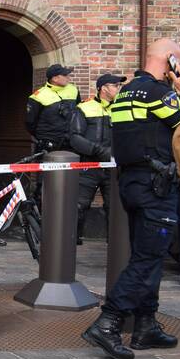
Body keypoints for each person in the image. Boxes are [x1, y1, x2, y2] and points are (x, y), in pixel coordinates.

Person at [82, 38, 180, 359]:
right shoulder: (160, 93)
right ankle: (108, 322)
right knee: (147, 258)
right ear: (170, 61)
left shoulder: (125, 91)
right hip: (157, 188)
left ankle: (145, 324)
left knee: (146, 254)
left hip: (132, 183)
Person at [68, 73, 124, 244]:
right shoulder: (84, 107)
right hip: (89, 165)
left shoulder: (121, 107)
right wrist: (100, 151)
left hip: (114, 166)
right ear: (104, 88)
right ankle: (71, 243)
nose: (118, 88)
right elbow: (75, 137)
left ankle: (115, 246)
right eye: (115, 85)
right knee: (79, 205)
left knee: (115, 207)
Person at [26, 64, 80, 206]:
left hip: (70, 143)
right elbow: (30, 122)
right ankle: (41, 209)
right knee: (45, 180)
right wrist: (44, 137)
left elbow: (79, 114)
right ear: (55, 78)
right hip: (48, 144)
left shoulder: (73, 90)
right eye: (66, 75)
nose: (69, 77)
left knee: (70, 179)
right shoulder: (38, 96)